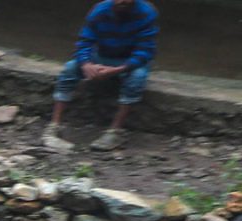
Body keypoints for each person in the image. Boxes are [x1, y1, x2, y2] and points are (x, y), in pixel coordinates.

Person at [48, 0, 159, 151]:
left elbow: (145, 51)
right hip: (102, 57)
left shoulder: (146, 13)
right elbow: (84, 42)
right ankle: (54, 125)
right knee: (70, 68)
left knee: (137, 77)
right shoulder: (100, 11)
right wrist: (86, 64)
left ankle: (115, 131)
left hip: (128, 61)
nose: (123, 1)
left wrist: (119, 69)